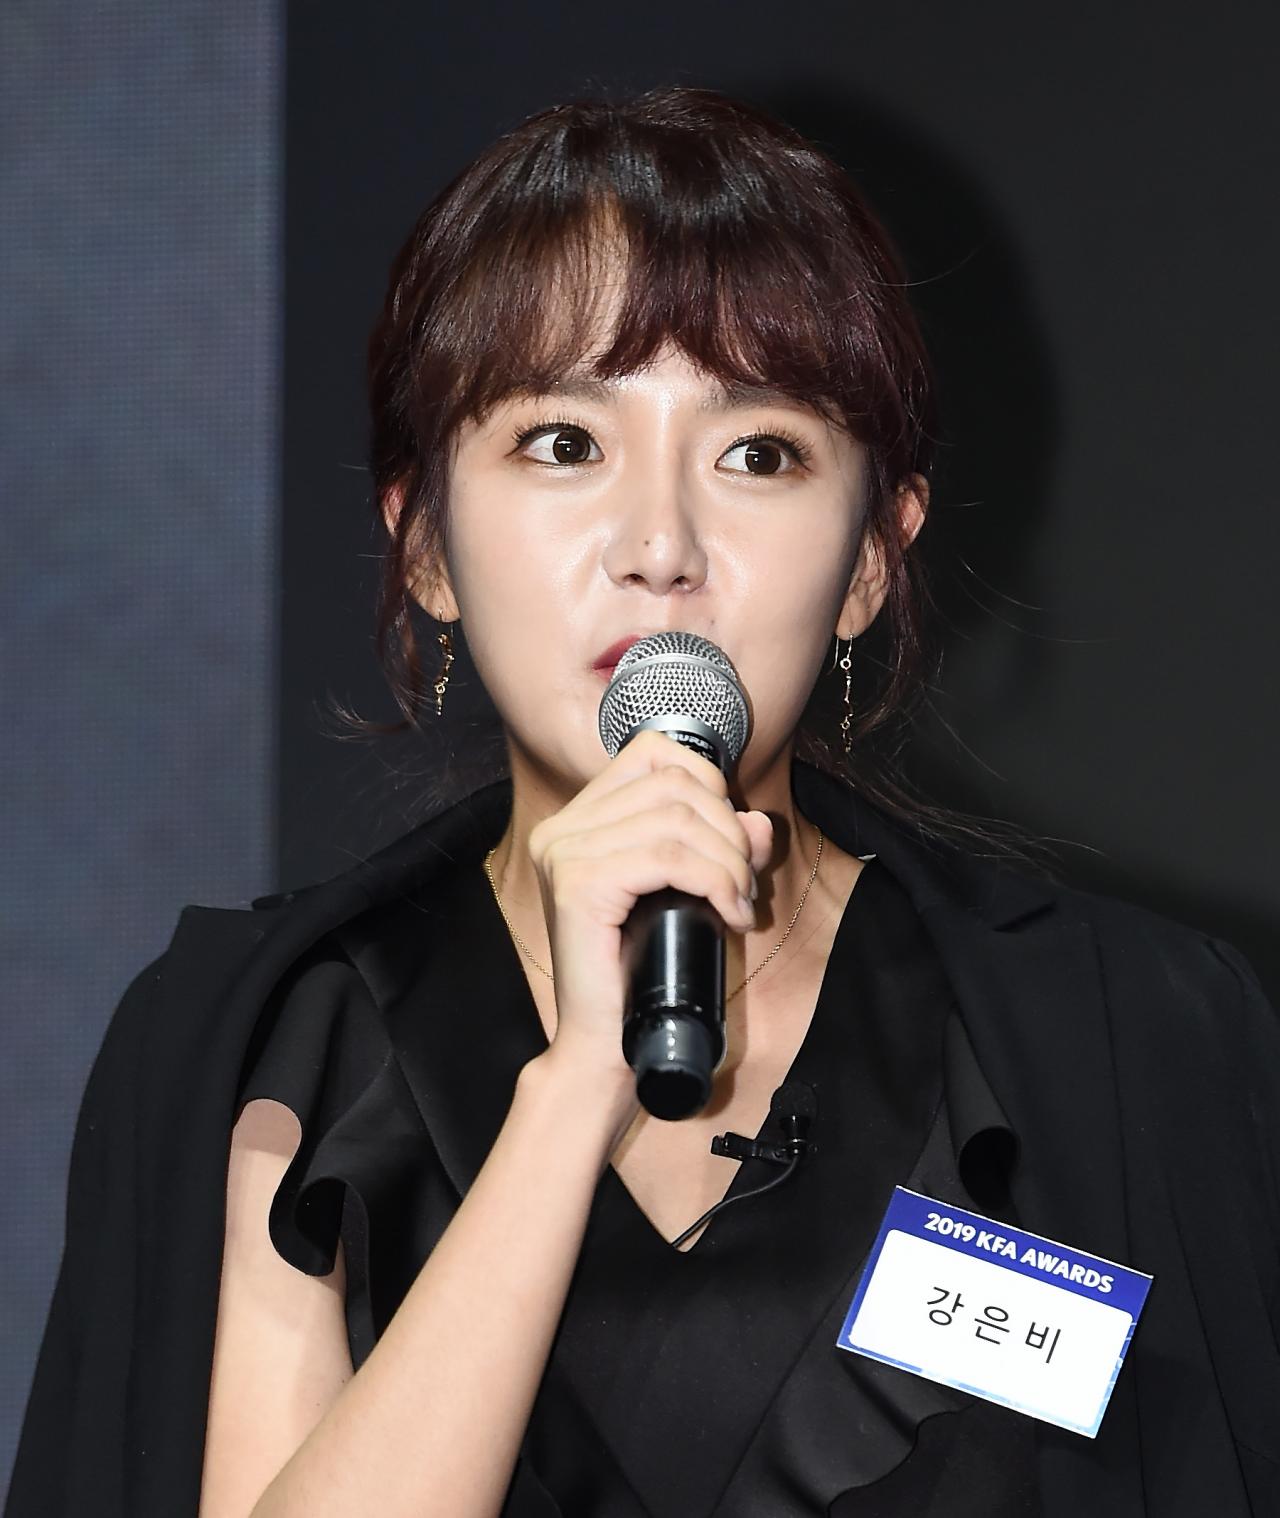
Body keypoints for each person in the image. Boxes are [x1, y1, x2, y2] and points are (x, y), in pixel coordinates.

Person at [8, 87, 1280, 1518]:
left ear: (871, 559)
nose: (661, 545)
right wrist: (572, 1094)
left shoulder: (1125, 1034)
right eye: (565, 442)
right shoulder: (273, 1038)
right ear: (424, 544)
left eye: (759, 453)